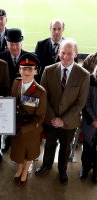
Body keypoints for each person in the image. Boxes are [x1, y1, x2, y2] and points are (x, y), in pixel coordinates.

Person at [35, 39, 90, 185]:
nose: (65, 57)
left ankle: (62, 170)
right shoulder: (48, 70)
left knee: (65, 148)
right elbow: (43, 96)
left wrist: (63, 119)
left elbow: (81, 102)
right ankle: (46, 165)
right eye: (63, 53)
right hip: (51, 119)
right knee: (49, 144)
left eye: (69, 54)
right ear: (59, 52)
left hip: (69, 122)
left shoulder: (84, 75)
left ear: (76, 54)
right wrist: (54, 118)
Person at [11, 53, 46, 185]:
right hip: (15, 127)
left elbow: (40, 117)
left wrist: (24, 129)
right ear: (19, 70)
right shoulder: (15, 83)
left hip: (30, 131)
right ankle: (19, 169)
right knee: (18, 152)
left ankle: (25, 171)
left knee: (28, 153)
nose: (26, 71)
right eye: (23, 68)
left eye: (30, 69)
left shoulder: (40, 92)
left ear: (36, 71)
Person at [0, 28, 29, 152]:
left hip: (23, 98)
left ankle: (17, 143)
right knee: (5, 121)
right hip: (6, 97)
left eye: (17, 44)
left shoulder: (29, 57)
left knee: (20, 123)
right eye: (11, 44)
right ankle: (6, 141)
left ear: (21, 43)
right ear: (7, 43)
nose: (14, 47)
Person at [80, 65, 97, 184]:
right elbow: (86, 102)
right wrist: (93, 120)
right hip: (90, 123)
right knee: (87, 149)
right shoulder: (91, 79)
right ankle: (85, 168)